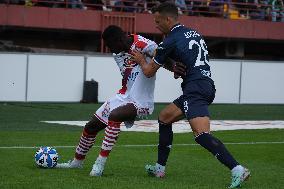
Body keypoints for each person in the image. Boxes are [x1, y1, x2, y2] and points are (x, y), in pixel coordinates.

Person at [130, 2, 250, 188]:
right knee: (164, 118)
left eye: (158, 20)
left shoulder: (169, 40)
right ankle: (159, 168)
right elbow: (191, 58)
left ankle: (237, 169)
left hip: (195, 88)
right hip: (204, 84)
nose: (156, 25)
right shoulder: (193, 33)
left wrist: (140, 59)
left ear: (168, 19)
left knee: (201, 134)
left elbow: (148, 71)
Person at [56, 25, 185, 176]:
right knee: (91, 126)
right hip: (123, 96)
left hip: (141, 101)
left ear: (119, 39)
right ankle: (76, 163)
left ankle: (99, 164)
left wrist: (175, 66)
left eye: (111, 45)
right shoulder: (118, 53)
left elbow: (162, 57)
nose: (111, 50)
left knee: (114, 116)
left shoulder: (143, 45)